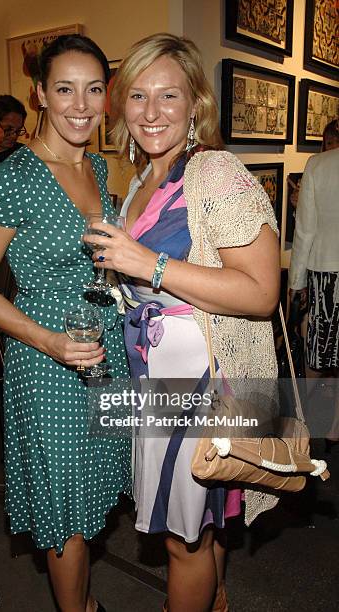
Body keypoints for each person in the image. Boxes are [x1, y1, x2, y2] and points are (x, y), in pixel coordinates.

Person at [83, 33, 280, 612]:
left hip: (201, 383)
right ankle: (215, 600)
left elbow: (263, 292)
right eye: (138, 96)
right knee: (206, 519)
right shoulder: (142, 177)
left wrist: (149, 264)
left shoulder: (214, 171)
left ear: (196, 104)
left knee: (182, 537)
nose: (151, 112)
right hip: (159, 381)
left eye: (168, 96)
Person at [0, 34, 131, 612]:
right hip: (47, 361)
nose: (80, 105)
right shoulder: (11, 178)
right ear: (39, 95)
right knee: (63, 511)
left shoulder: (100, 170)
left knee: (91, 488)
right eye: (64, 89)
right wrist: (48, 341)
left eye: (93, 89)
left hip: (104, 351)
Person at [289, 121, 339, 454]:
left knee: (319, 348)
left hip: (326, 271)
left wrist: (296, 282)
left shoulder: (318, 166)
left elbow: (305, 231)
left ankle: (306, 417)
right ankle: (336, 423)